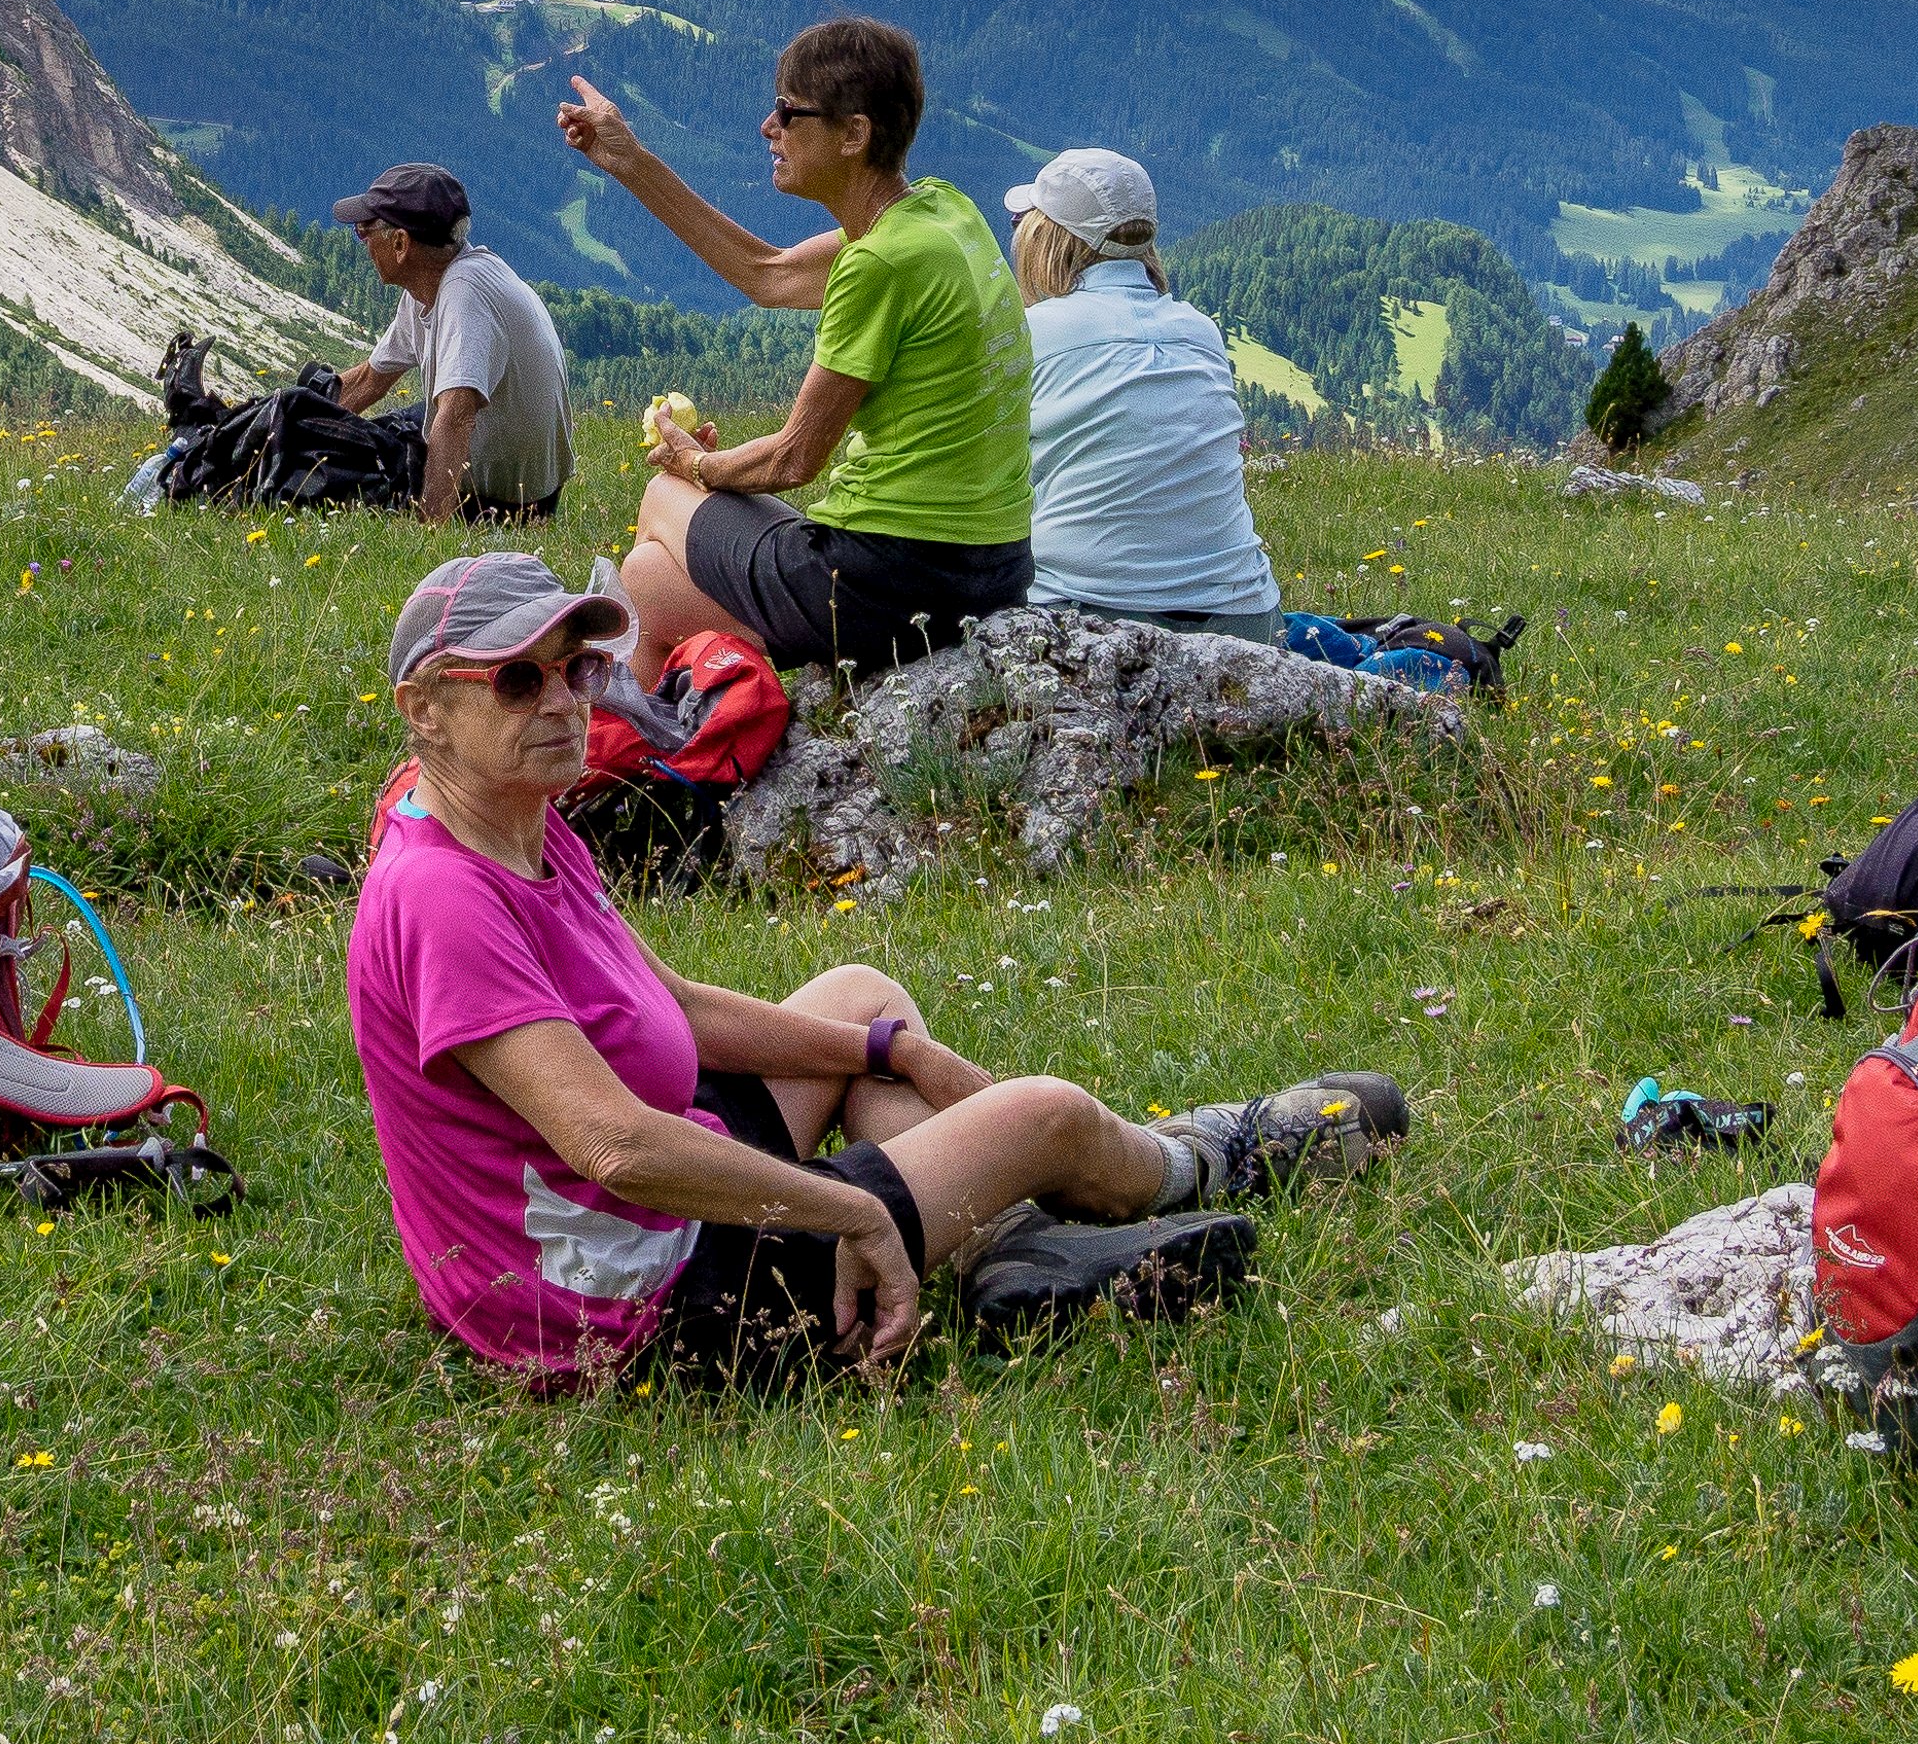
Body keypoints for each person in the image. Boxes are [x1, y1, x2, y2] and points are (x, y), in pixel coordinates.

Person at [343, 553, 1403, 1385]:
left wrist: (891, 1050)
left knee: (863, 998)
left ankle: (1007, 1246)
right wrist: (842, 1211)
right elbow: (612, 1146)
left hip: (642, 1221)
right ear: (422, 708)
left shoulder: (516, 820)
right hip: (630, 1307)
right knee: (1043, 1114)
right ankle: (1199, 1156)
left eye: (577, 668)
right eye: (516, 679)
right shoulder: (443, 895)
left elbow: (674, 1007)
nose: (562, 701)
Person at [559, 17, 1030, 675]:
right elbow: (768, 275)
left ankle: (634, 729)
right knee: (644, 576)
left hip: (888, 582)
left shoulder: (880, 264)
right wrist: (630, 163)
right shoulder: (943, 212)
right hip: (992, 569)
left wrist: (699, 466)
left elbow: (793, 458)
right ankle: (671, 720)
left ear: (854, 135)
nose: (768, 126)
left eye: (787, 111)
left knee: (665, 496)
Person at [1006, 147, 1281, 636]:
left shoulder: (1031, 335)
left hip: (1087, 615)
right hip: (1246, 618)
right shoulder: (1200, 331)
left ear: (1047, 238)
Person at [327, 161, 573, 523]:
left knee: (349, 469)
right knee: (381, 431)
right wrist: (294, 424)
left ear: (400, 243)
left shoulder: (464, 292)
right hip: (516, 475)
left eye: (365, 231)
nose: (363, 244)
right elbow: (370, 380)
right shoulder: (430, 284)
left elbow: (457, 417)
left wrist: (430, 531)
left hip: (508, 505)